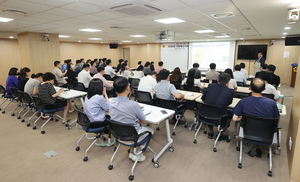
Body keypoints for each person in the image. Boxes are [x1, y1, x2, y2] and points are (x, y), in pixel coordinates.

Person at [109, 77, 154, 162]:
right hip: (133, 136)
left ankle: (133, 151)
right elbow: (143, 119)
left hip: (118, 134)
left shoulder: (112, 102)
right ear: (128, 88)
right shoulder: (133, 105)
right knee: (150, 129)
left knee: (128, 125)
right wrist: (139, 119)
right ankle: (137, 153)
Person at [232, 78, 279, 157]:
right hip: (266, 132)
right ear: (264, 89)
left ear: (250, 88)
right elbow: (276, 119)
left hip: (248, 131)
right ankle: (252, 146)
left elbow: (234, 119)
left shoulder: (243, 101)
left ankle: (251, 145)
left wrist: (242, 118)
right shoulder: (272, 103)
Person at [201, 72, 234, 139]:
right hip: (218, 117)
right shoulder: (230, 91)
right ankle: (221, 131)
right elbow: (228, 103)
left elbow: (203, 98)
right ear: (228, 81)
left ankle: (210, 130)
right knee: (230, 112)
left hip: (204, 114)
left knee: (211, 109)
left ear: (218, 80)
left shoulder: (210, 86)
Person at [84, 78, 114, 146]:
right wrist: (105, 94)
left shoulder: (87, 95)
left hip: (88, 120)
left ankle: (100, 135)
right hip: (97, 122)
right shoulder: (99, 97)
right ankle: (103, 138)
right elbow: (108, 107)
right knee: (112, 119)